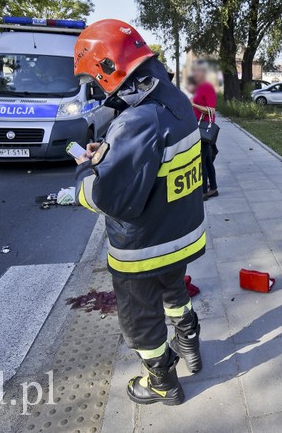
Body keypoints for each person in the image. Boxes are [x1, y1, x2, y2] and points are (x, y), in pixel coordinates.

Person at [73, 20, 206, 406]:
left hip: (143, 245)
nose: (97, 87)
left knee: (139, 318)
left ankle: (162, 382)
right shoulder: (176, 99)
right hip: (182, 231)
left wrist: (87, 169)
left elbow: (108, 197)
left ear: (108, 69)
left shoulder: (136, 120)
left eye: (95, 78)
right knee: (174, 290)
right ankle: (189, 342)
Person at [189, 64, 218, 200]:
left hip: (204, 129)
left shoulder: (208, 87)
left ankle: (204, 192)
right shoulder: (199, 87)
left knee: (201, 160)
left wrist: (193, 105)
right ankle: (213, 188)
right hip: (198, 127)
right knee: (206, 160)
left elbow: (211, 110)